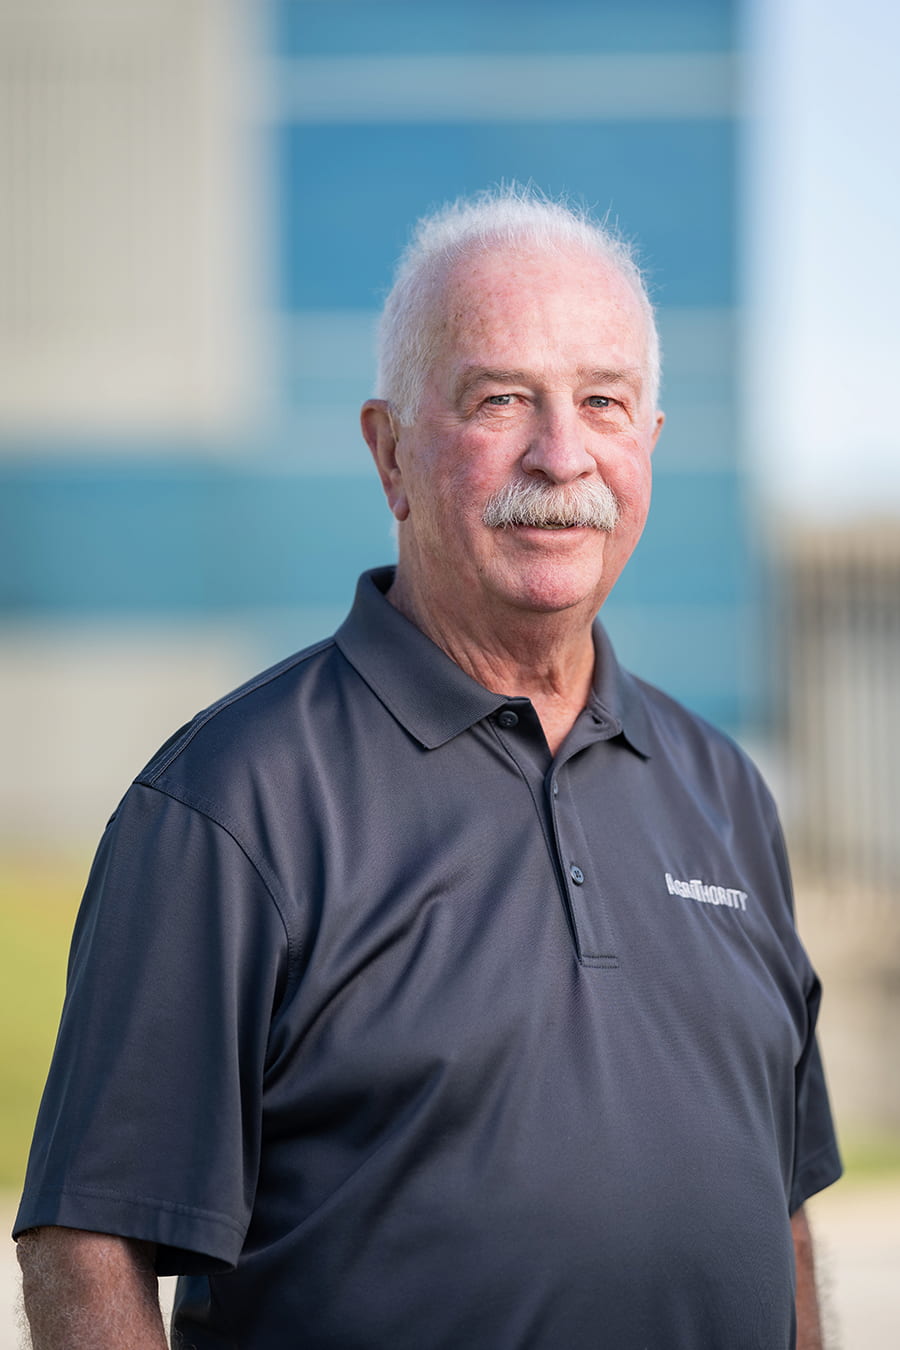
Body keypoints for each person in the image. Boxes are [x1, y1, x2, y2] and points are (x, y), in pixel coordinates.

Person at [15, 187, 841, 1349]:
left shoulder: (724, 793)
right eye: (500, 400)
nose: (563, 456)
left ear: (647, 445)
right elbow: (90, 1245)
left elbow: (783, 1216)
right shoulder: (229, 803)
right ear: (391, 451)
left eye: (603, 402)